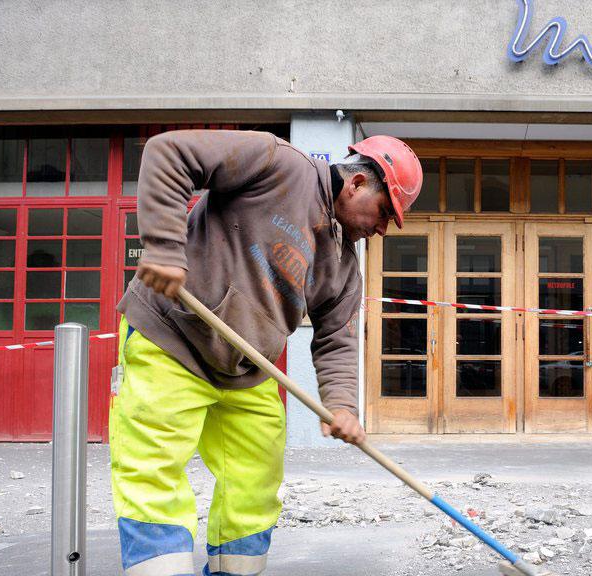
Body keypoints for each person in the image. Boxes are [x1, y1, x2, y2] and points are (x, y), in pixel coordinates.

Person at [110, 129, 422, 575]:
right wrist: (163, 246)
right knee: (153, 471)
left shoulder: (344, 266)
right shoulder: (276, 162)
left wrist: (341, 405)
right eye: (385, 212)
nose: (381, 228)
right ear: (356, 184)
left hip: (247, 370)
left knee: (254, 482)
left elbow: (338, 339)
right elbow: (168, 152)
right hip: (172, 341)